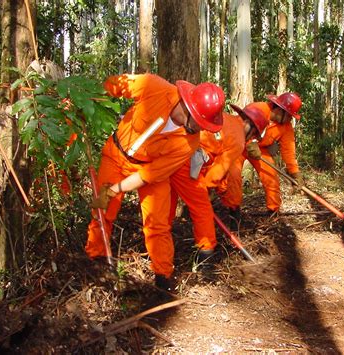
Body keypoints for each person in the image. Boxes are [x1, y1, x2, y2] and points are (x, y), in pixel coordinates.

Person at [85, 73, 225, 291]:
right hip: (115, 155)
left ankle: (163, 279)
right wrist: (87, 101)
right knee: (102, 213)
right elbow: (115, 85)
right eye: (200, 124)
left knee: (157, 225)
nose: (201, 129)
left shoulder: (190, 143)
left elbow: (149, 174)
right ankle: (96, 262)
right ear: (189, 110)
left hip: (148, 171)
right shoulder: (153, 86)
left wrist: (114, 190)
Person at [168, 102, 270, 270]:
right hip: (190, 159)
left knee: (167, 203)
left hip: (175, 151)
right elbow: (218, 171)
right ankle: (205, 259)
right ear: (250, 126)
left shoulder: (226, 119)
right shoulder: (238, 141)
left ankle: (158, 247)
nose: (251, 138)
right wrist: (206, 190)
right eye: (254, 134)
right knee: (203, 210)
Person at [221, 92, 303, 222]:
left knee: (271, 176)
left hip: (261, 150)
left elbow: (288, 151)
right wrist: (249, 143)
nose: (290, 119)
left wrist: (294, 173)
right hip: (239, 145)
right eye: (289, 116)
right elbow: (241, 127)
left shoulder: (286, 127)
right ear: (280, 110)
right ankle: (233, 212)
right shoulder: (259, 108)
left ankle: (273, 212)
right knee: (234, 175)